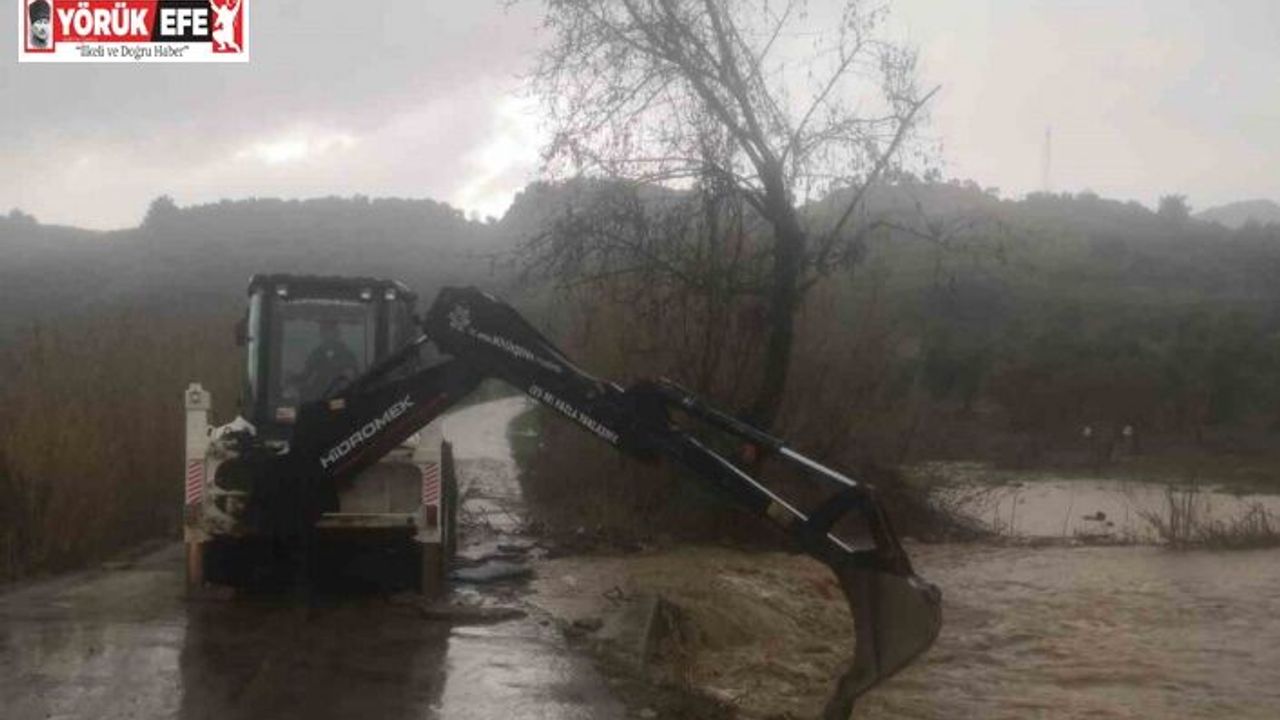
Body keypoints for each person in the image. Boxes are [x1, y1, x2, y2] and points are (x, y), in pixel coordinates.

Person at [294, 319, 359, 400]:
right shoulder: (316, 354)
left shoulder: (347, 355)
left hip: (340, 401)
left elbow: (350, 380)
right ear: (321, 334)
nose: (327, 335)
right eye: (324, 331)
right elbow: (306, 375)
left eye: (330, 331)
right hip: (319, 398)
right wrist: (293, 378)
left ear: (336, 333)